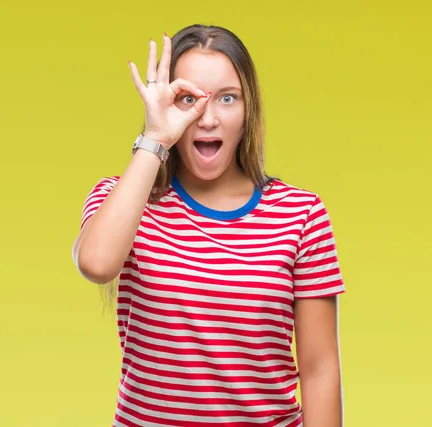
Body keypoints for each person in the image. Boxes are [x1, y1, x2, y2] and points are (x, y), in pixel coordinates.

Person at [72, 24, 345, 427]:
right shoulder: (124, 197)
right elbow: (96, 263)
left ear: (249, 108)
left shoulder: (300, 213)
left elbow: (320, 370)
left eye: (228, 98)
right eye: (189, 99)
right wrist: (155, 138)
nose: (209, 119)